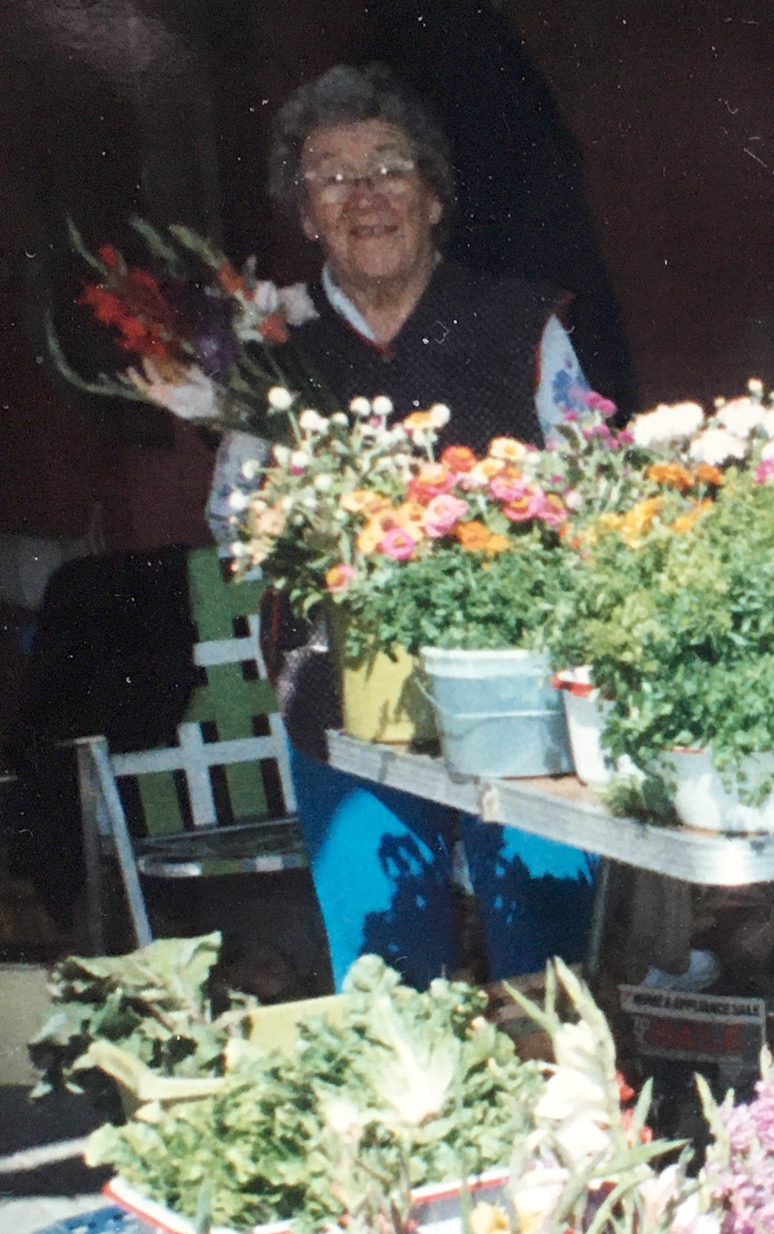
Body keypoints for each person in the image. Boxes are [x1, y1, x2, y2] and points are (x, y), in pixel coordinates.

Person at [208, 63, 597, 988]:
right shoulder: (273, 356)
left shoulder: (523, 326)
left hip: (523, 713)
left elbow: (600, 495)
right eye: (331, 176)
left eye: (389, 166)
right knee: (387, 988)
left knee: (548, 984)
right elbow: (234, 523)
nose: (364, 195)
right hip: (347, 719)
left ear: (432, 196)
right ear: (305, 214)